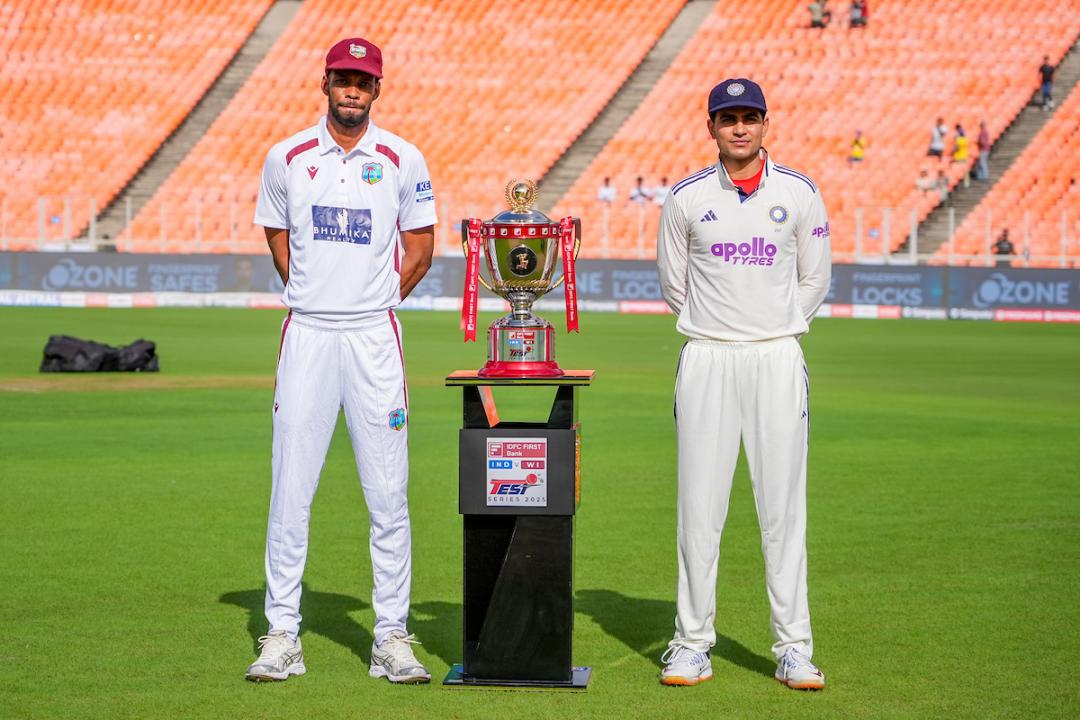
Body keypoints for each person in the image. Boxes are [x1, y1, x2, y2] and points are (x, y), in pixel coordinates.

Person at [247, 37, 436, 685]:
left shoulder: (402, 157)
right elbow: (276, 232)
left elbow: (421, 247)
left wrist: (372, 300)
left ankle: (391, 636)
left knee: (388, 494)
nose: (352, 90)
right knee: (290, 490)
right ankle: (280, 634)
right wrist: (312, 293)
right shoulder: (288, 156)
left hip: (372, 338)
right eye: (343, 79)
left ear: (377, 89)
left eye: (364, 81)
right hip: (308, 334)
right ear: (324, 83)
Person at [656, 78, 831, 690]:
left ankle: (794, 647)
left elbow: (814, 281)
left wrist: (770, 327)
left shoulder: (800, 194)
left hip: (776, 358)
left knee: (782, 508)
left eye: (749, 117)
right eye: (727, 118)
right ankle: (690, 642)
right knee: (700, 510)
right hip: (707, 356)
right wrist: (720, 328)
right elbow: (674, 285)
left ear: (764, 124)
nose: (739, 127)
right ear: (710, 127)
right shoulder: (685, 199)